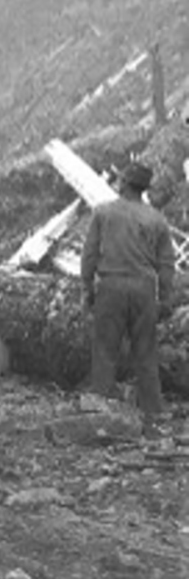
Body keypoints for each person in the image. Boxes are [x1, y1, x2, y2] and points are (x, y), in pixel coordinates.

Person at [80, 161, 176, 431]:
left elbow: (89, 255)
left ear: (123, 183)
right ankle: (154, 416)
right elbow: (166, 264)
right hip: (144, 290)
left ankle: (100, 414)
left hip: (111, 287)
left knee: (105, 352)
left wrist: (87, 287)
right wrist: (165, 299)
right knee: (145, 354)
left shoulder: (104, 213)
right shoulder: (156, 219)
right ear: (144, 189)